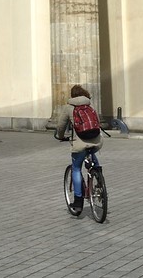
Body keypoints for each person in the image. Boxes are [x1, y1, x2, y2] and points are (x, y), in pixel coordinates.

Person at [54, 84, 102, 215]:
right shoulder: (90, 105)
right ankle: (98, 176)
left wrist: (61, 136)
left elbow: (61, 125)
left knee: (76, 169)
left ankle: (78, 202)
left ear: (72, 95)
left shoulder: (69, 107)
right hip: (95, 141)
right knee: (92, 153)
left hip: (80, 144)